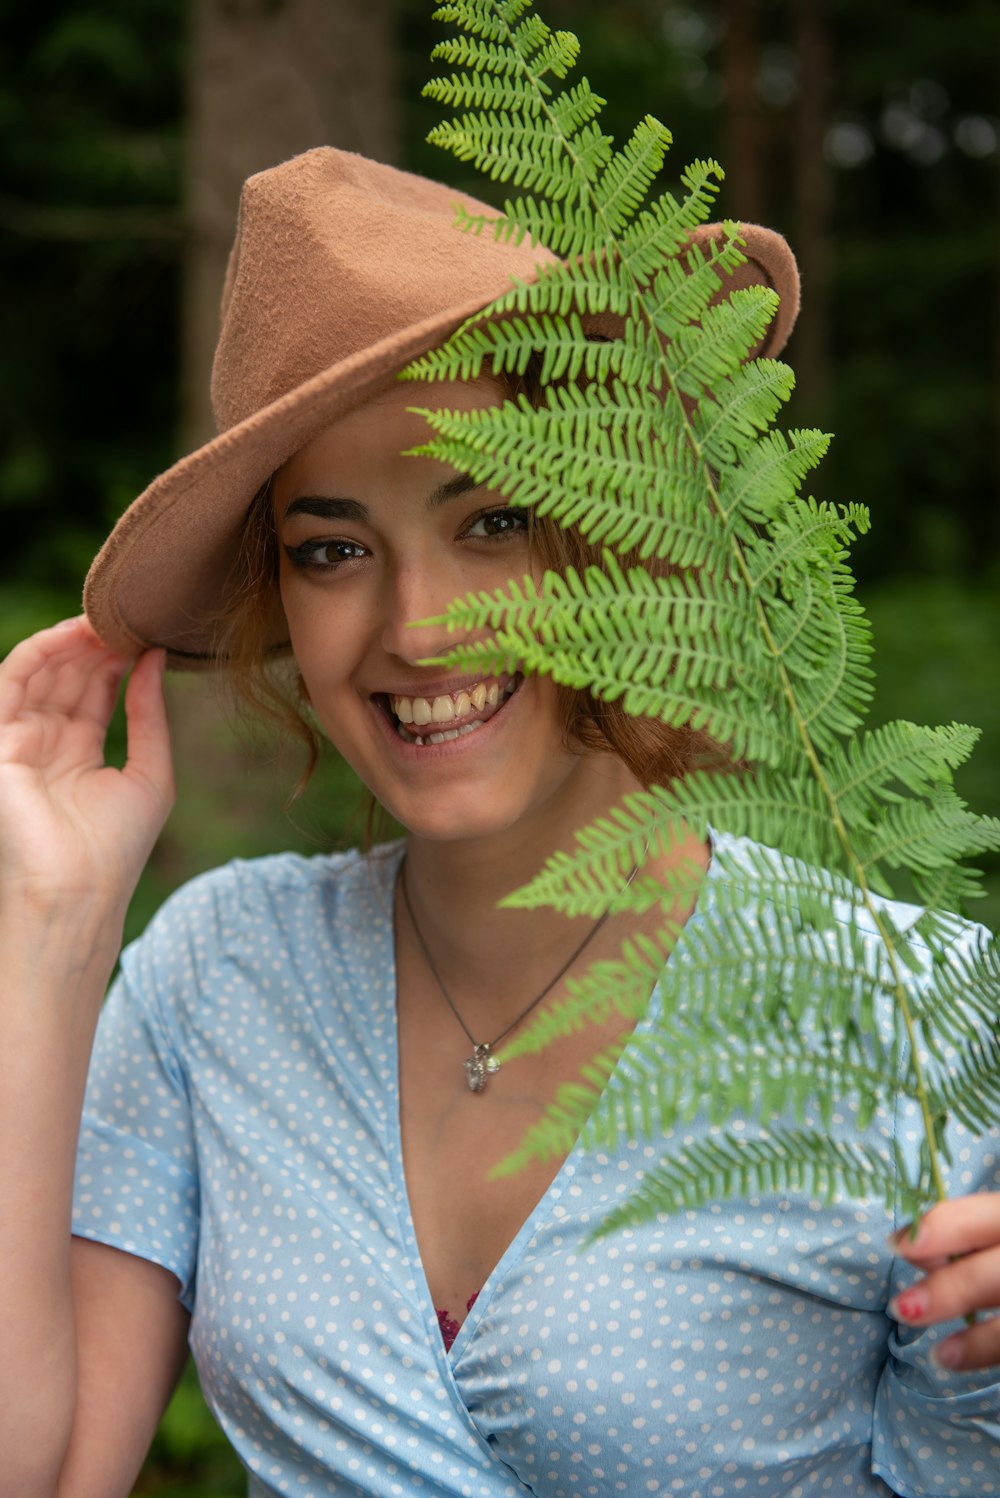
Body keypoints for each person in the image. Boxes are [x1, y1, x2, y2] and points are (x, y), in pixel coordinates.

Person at [0, 147, 998, 1498]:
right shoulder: (214, 977)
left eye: (495, 517)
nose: (418, 625)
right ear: (277, 600)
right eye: (333, 547)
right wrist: (51, 934)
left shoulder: (917, 1014)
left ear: (626, 523)